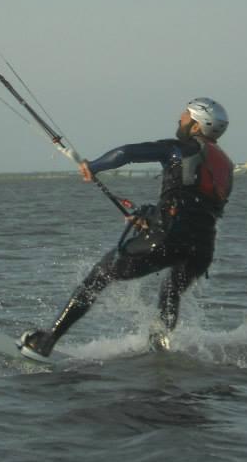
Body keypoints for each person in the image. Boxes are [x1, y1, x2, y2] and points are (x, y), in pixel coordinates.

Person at [18, 98, 234, 361]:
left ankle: (45, 342)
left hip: (169, 240)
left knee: (98, 276)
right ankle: (160, 351)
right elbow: (196, 210)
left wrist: (92, 166)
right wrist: (149, 217)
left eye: (186, 117)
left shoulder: (180, 150)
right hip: (202, 250)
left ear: (198, 126)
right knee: (171, 291)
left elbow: (127, 153)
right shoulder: (225, 165)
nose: (180, 120)